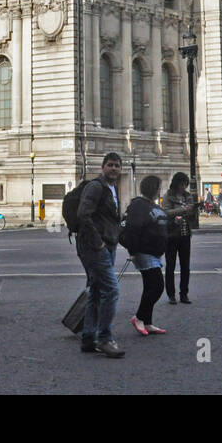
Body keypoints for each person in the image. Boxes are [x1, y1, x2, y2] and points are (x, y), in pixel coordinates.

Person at [75, 153, 126, 357]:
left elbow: (108, 219)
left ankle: (88, 338)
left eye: (117, 166)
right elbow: (83, 214)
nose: (114, 169)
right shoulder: (96, 187)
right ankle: (105, 338)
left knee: (96, 290)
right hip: (95, 247)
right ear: (103, 167)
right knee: (111, 290)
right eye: (110, 165)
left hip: (107, 245)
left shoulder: (112, 188)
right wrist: (99, 243)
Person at [126, 175, 169, 337]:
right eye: (158, 187)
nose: (160, 191)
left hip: (155, 252)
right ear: (152, 188)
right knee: (157, 286)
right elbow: (133, 228)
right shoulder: (139, 204)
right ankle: (138, 317)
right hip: (144, 251)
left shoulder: (152, 205)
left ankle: (147, 322)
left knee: (149, 287)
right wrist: (132, 250)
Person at [162, 172, 194, 305]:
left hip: (185, 234)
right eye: (181, 184)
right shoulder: (168, 196)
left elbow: (191, 213)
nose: (183, 187)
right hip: (171, 235)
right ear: (176, 183)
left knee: (185, 266)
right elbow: (165, 212)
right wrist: (182, 210)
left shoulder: (188, 196)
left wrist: (190, 210)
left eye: (185, 184)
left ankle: (184, 294)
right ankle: (171, 295)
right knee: (170, 266)